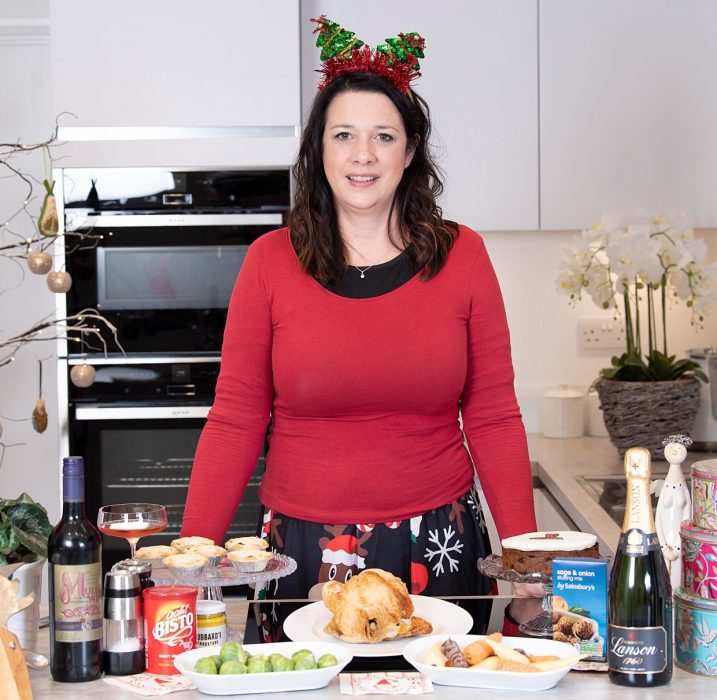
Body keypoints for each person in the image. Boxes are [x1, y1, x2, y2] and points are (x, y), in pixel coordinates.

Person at [181, 16, 537, 634]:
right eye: (344, 134)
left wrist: (528, 564)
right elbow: (236, 419)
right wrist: (188, 566)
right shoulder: (269, 262)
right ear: (319, 149)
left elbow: (494, 416)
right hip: (300, 552)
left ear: (411, 150)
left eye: (383, 135)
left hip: (440, 544)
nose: (363, 155)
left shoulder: (464, 257)